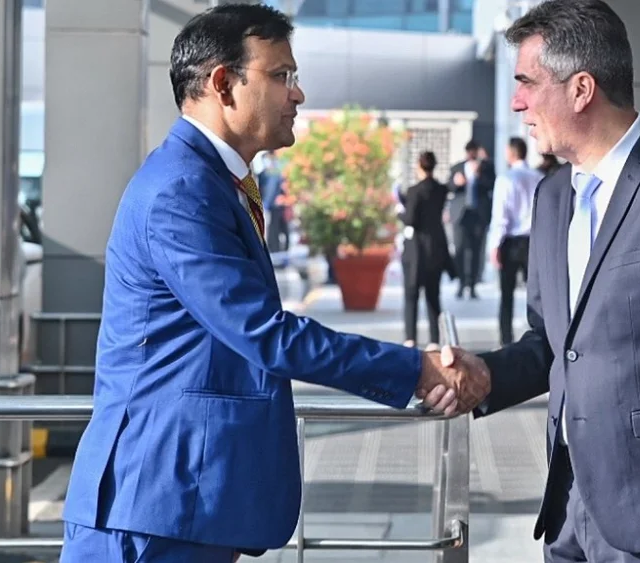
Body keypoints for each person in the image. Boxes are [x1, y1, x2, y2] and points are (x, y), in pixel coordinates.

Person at [58, 5, 489, 562]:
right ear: (222, 84)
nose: (297, 94)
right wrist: (417, 368)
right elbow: (265, 334)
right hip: (150, 507)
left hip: (187, 503)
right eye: (280, 76)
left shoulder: (214, 183)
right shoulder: (180, 192)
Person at [434, 1, 640, 562]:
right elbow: (554, 342)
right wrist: (486, 374)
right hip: (568, 511)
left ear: (581, 88)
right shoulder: (552, 196)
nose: (517, 101)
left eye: (527, 84)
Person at [487, 137, 543, 345]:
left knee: (507, 294)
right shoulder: (539, 177)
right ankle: (540, 337)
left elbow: (500, 216)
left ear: (511, 153)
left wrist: (494, 245)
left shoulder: (506, 179)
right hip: (533, 242)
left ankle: (506, 339)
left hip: (510, 242)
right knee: (538, 295)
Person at [400, 151, 456, 350]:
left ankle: (411, 338)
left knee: (411, 294)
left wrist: (401, 212)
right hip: (436, 246)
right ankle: (434, 339)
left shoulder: (414, 191)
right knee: (434, 295)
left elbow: (410, 219)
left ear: (419, 166)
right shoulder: (441, 190)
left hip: (416, 249)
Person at [447, 140, 495, 299]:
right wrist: (456, 182)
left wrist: (478, 176)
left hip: (478, 214)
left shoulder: (486, 167)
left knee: (476, 251)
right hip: (460, 214)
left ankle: (473, 285)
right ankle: (461, 283)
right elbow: (449, 187)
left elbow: (491, 185)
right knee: (459, 249)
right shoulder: (457, 168)